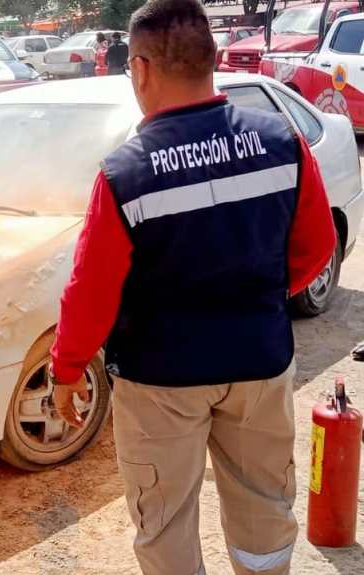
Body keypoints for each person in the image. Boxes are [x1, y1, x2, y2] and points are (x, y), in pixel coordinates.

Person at [48, 0, 336, 573]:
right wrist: (259, 303)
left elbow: (91, 290)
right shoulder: (281, 143)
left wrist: (65, 369)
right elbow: (316, 246)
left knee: (165, 520)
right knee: (263, 507)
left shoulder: (124, 173)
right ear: (212, 59)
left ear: (141, 69)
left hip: (160, 382)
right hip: (259, 363)